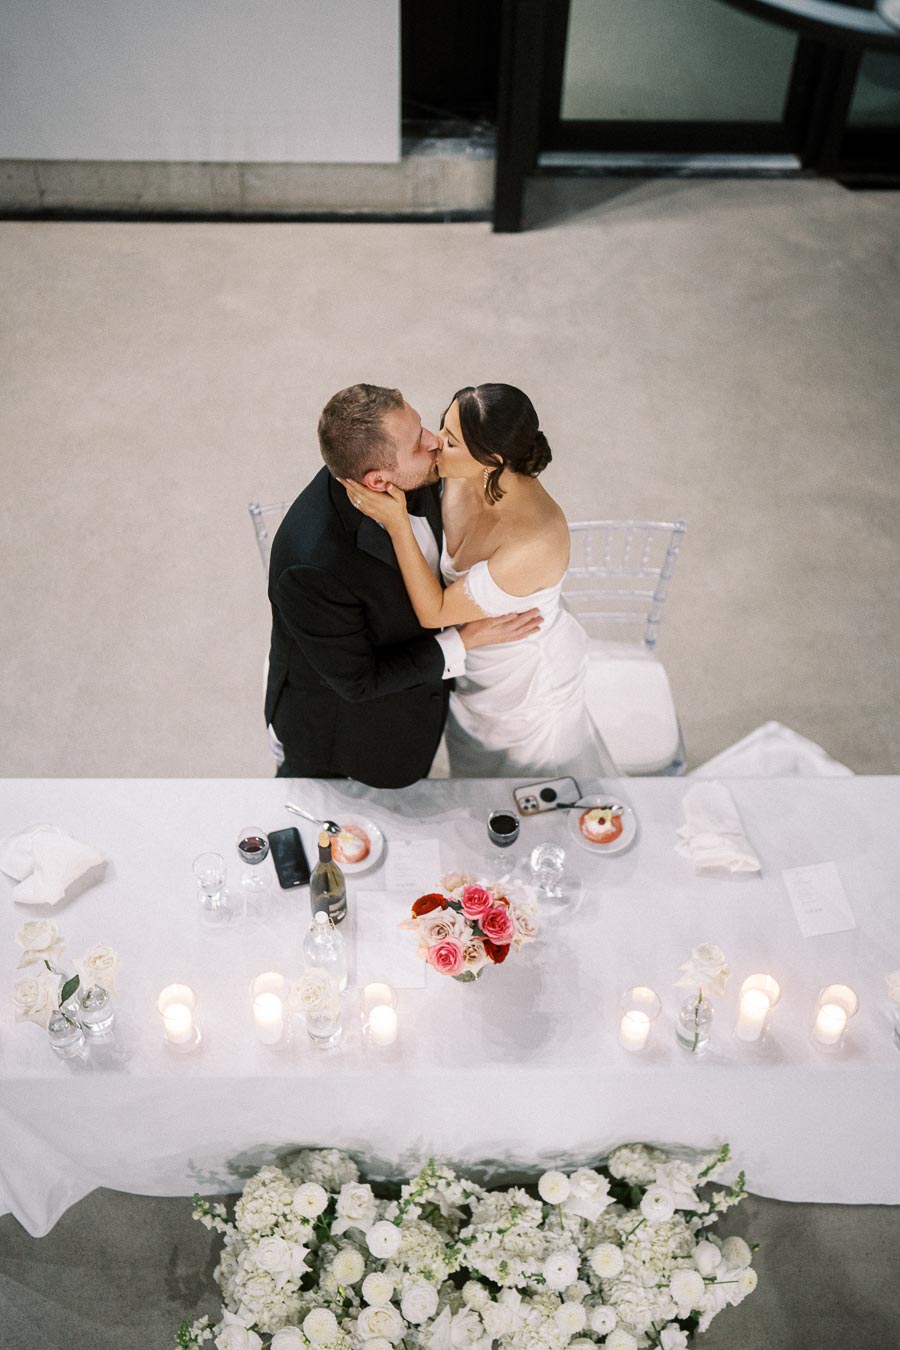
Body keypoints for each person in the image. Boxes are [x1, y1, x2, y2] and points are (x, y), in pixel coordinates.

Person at [265, 383, 543, 787]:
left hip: (424, 687)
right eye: (418, 444)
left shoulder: (414, 472)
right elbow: (359, 681)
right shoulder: (310, 566)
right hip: (350, 728)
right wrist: (464, 641)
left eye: (422, 426)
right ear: (378, 482)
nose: (436, 442)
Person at [344, 383, 619, 779]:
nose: (435, 443)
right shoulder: (461, 472)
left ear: (491, 459)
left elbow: (433, 611)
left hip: (520, 676)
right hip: (473, 656)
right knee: (473, 762)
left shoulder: (536, 542)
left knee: (526, 781)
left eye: (450, 442)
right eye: (443, 426)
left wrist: (397, 524)